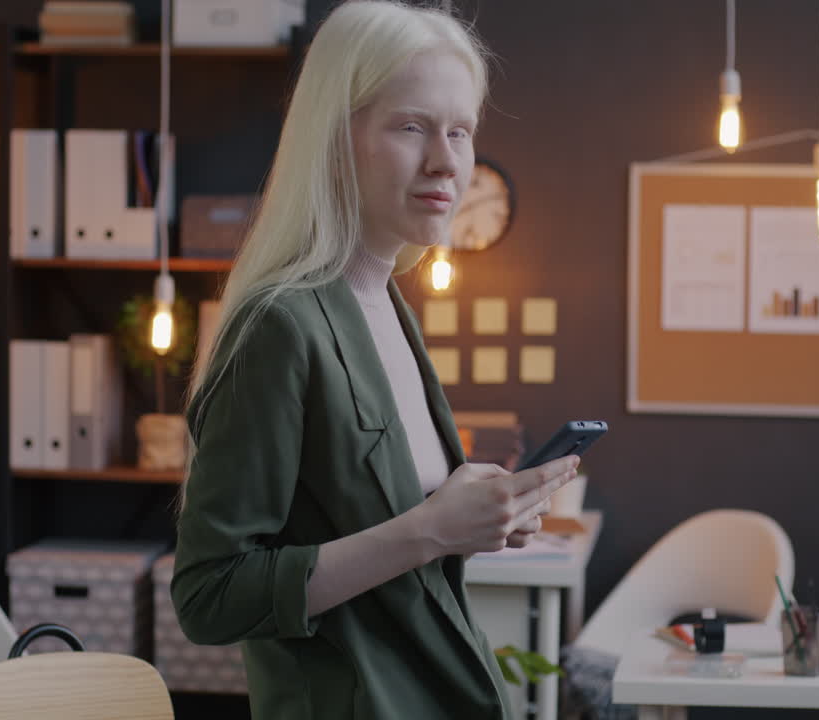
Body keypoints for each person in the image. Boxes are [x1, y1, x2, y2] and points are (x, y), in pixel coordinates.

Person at [171, 2, 580, 718]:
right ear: (334, 139)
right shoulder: (280, 325)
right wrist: (431, 528)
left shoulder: (386, 306)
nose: (447, 161)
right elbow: (211, 597)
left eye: (460, 132)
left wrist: (474, 516)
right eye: (412, 126)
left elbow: (378, 527)